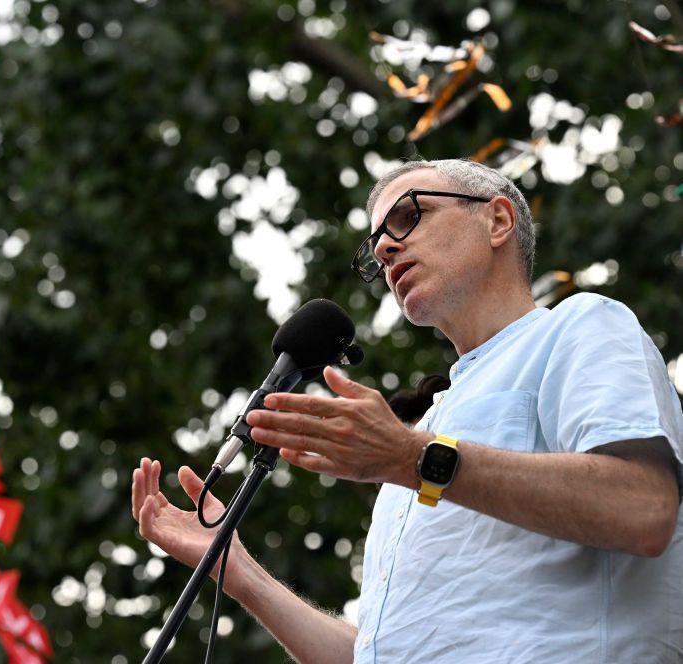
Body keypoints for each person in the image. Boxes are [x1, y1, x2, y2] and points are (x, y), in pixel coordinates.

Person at [130, 158, 683, 662]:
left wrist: (412, 459)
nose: (385, 249)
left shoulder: (581, 326)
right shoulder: (423, 437)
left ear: (497, 221)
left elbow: (644, 509)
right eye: (375, 246)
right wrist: (240, 572)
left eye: (408, 216)